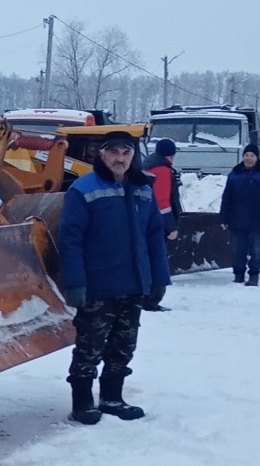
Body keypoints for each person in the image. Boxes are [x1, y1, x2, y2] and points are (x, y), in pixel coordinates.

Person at [58, 130, 171, 425]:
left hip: (133, 284)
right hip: (97, 286)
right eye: (114, 153)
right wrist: (75, 283)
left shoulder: (143, 189)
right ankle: (82, 402)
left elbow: (155, 238)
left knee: (123, 346)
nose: (119, 159)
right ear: (102, 155)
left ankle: (111, 397)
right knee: (90, 346)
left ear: (133, 156)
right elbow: (71, 239)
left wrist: (159, 279)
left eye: (126, 153)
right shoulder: (83, 189)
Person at [220, 143, 260, 286]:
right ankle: (238, 274)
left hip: (257, 221)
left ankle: (254, 275)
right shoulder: (234, 175)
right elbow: (226, 198)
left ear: (257, 158)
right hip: (237, 220)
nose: (249, 158)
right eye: (246, 155)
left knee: (256, 250)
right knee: (238, 250)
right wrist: (224, 217)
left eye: (252, 155)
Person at [141, 138, 183, 311]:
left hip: (144, 223)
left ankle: (144, 295)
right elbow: (163, 202)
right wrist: (171, 227)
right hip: (157, 225)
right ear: (171, 156)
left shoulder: (146, 167)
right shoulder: (163, 171)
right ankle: (153, 299)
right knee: (158, 261)